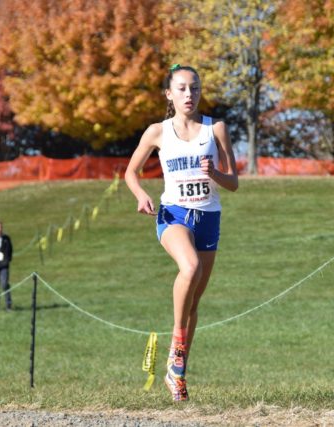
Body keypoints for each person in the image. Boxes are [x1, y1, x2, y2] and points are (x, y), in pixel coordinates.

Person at [124, 64, 238, 402]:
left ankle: (177, 373)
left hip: (208, 217)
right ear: (169, 94)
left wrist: (215, 173)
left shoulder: (215, 129)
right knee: (190, 268)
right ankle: (176, 343)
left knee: (193, 301)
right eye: (182, 88)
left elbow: (233, 183)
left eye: (195, 88)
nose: (189, 94)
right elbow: (131, 172)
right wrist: (141, 194)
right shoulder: (157, 132)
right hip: (173, 214)